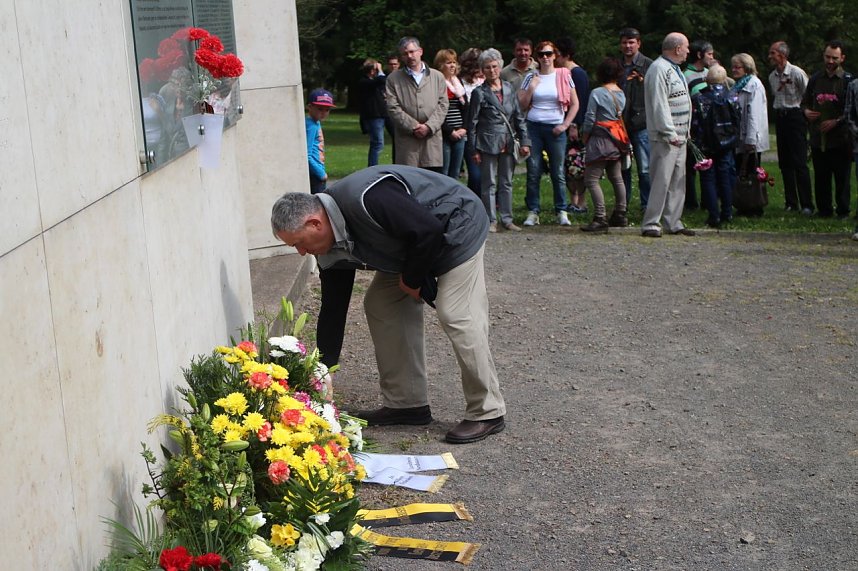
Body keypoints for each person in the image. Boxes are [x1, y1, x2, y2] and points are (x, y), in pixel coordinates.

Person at [270, 165, 507, 444]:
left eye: (298, 243)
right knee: (382, 304)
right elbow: (334, 309)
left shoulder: (367, 197)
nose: (300, 252)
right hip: (414, 245)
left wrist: (412, 279)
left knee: (456, 312)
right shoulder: (328, 247)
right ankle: (407, 404)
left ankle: (487, 412)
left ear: (314, 224)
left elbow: (427, 230)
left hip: (455, 225)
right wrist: (322, 373)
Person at [467, 48, 531, 232]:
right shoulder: (479, 93)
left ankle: (507, 219)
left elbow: (518, 116)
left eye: (494, 66)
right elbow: (472, 123)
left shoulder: (510, 88)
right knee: (489, 183)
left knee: (507, 182)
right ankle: (491, 220)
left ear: (500, 66)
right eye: (487, 67)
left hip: (508, 140)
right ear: (482, 70)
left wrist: (525, 141)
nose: (492, 70)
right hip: (487, 141)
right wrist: (473, 150)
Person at [519, 41, 580, 226]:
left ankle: (561, 210)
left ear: (555, 55)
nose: (545, 57)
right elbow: (521, 105)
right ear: (536, 58)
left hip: (556, 127)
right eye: (541, 54)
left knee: (558, 171)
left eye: (548, 53)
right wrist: (531, 88)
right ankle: (533, 210)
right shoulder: (530, 77)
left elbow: (574, 103)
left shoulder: (564, 74)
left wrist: (565, 125)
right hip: (534, 127)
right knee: (533, 170)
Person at [640, 33, 694, 238]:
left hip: (681, 135)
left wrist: (684, 132)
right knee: (661, 179)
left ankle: (673, 220)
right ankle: (651, 222)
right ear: (677, 48)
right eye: (686, 47)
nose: (688, 51)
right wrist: (668, 131)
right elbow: (659, 103)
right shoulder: (658, 69)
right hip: (666, 136)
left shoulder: (674, 69)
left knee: (678, 180)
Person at [801, 40, 854, 219]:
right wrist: (807, 111)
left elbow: (851, 110)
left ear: (842, 58)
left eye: (834, 58)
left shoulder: (848, 81)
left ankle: (843, 210)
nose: (830, 61)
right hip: (818, 137)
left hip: (840, 138)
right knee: (821, 176)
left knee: (842, 178)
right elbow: (805, 102)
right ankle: (824, 209)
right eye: (827, 57)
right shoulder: (815, 79)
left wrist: (836, 121)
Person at [579, 57, 628, 233]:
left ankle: (600, 216)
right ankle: (621, 213)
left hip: (599, 139)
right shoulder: (621, 93)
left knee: (591, 179)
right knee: (617, 178)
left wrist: (584, 136)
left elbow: (590, 117)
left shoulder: (597, 93)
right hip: (616, 140)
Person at [385, 37, 449, 171]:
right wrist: (414, 126)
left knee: (432, 184)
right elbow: (392, 107)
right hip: (407, 143)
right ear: (401, 57)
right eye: (405, 53)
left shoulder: (437, 77)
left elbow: (443, 105)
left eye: (412, 52)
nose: (410, 56)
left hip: (431, 141)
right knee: (408, 184)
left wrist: (429, 126)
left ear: (420, 51)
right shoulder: (393, 79)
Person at [768, 41, 813, 215]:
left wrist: (804, 112)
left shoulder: (796, 73)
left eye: (773, 53)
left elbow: (808, 94)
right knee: (785, 162)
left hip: (795, 116)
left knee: (799, 162)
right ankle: (791, 202)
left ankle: (807, 204)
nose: (770, 57)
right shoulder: (772, 76)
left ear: (782, 55)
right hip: (781, 117)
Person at [692, 64, 739, 228]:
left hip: (706, 144)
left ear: (706, 80)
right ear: (725, 79)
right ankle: (727, 212)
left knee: (708, 179)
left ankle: (714, 215)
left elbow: (696, 123)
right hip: (726, 143)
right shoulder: (732, 96)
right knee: (725, 177)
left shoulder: (700, 98)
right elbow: (737, 120)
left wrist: (696, 140)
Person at [730, 53, 770, 217]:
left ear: (747, 68)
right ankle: (743, 204)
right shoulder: (737, 85)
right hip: (740, 135)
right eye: (732, 67)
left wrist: (751, 139)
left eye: (737, 67)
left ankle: (754, 205)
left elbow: (754, 114)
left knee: (752, 172)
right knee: (742, 171)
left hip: (751, 135)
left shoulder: (754, 85)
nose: (733, 70)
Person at [619, 28, 654, 212]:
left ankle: (647, 204)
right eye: (625, 42)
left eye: (631, 42)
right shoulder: (617, 66)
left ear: (639, 43)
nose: (628, 46)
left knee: (645, 168)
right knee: (623, 168)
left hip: (642, 122)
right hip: (620, 124)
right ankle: (622, 204)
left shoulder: (649, 65)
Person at [555, 36, 591, 214]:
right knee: (569, 166)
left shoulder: (577, 73)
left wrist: (575, 125)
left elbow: (581, 102)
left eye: (557, 54)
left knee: (578, 164)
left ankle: (581, 202)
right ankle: (573, 200)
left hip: (577, 124)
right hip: (565, 123)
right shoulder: (561, 72)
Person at [683, 40, 716, 210]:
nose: (712, 57)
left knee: (708, 165)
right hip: (694, 127)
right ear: (699, 55)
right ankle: (690, 202)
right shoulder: (686, 76)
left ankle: (707, 201)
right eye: (709, 54)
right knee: (690, 166)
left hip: (709, 128)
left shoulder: (710, 73)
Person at [435, 49, 468, 180]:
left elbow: (466, 108)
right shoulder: (437, 83)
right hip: (444, 134)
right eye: (449, 62)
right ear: (441, 65)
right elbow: (435, 110)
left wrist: (464, 128)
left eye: (454, 62)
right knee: (444, 172)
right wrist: (449, 131)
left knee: (455, 172)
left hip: (460, 133)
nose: (453, 65)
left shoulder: (458, 83)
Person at [459, 47, 485, 195]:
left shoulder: (485, 81)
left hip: (485, 133)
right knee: (475, 174)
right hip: (468, 134)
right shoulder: (459, 83)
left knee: (484, 174)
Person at [358, 58, 388, 167]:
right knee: (377, 143)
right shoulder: (365, 82)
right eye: (375, 70)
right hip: (374, 116)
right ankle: (373, 166)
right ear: (372, 71)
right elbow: (383, 80)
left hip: (380, 115)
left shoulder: (372, 82)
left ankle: (373, 165)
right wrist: (380, 70)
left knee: (377, 143)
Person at [305, 88, 335, 193]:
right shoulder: (311, 126)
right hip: (315, 173)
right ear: (309, 107)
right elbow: (306, 154)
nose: (324, 113)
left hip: (318, 169)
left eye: (327, 110)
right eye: (320, 109)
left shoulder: (315, 123)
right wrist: (321, 173)